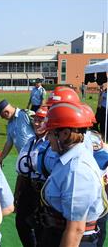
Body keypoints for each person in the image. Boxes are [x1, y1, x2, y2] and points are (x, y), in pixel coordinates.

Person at [39, 102, 107, 247]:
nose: (47, 138)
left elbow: (76, 229)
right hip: (58, 231)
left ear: (64, 134)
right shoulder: (68, 158)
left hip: (71, 238)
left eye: (50, 133)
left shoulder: (77, 170)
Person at [14, 106, 49, 247]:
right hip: (27, 190)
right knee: (21, 224)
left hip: (42, 193)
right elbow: (22, 172)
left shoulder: (51, 144)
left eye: (41, 120)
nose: (36, 123)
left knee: (40, 229)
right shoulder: (30, 142)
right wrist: (17, 194)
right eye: (35, 119)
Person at [0, 99, 35, 164]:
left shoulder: (25, 114)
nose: (2, 118)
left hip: (36, 156)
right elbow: (9, 143)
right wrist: (0, 158)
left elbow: (42, 129)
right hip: (23, 159)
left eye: (2, 116)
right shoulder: (10, 125)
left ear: (6, 113)